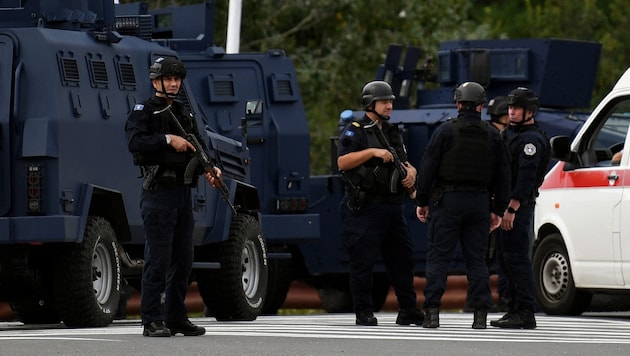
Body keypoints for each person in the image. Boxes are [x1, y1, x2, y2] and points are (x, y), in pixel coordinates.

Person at [125, 57, 222, 337]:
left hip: (182, 194)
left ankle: (176, 316)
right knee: (158, 257)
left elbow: (197, 144)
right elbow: (134, 142)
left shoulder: (182, 111)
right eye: (168, 79)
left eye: (177, 79)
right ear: (156, 82)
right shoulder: (144, 110)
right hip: (159, 193)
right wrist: (167, 139)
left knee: (183, 258)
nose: (173, 83)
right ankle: (151, 319)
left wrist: (210, 167)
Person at [415, 82, 511, 329]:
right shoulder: (492, 134)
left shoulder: (445, 131)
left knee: (438, 258)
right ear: (481, 106)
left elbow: (427, 168)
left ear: (458, 104)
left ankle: (433, 313)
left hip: (448, 202)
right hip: (479, 203)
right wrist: (498, 210)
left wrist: (422, 201)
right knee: (477, 260)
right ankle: (480, 316)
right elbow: (503, 176)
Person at [337, 80, 425, 326]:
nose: (389, 106)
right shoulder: (355, 129)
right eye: (384, 101)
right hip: (365, 208)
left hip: (392, 207)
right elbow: (343, 162)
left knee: (403, 259)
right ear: (370, 103)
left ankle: (408, 309)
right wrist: (373, 153)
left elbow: (406, 162)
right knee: (362, 262)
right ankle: (364, 311)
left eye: (390, 101)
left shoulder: (391, 132)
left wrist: (412, 173)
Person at [491, 87, 550, 329]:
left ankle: (525, 311)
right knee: (504, 258)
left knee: (516, 258)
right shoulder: (509, 134)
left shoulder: (531, 140)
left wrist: (511, 209)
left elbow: (526, 180)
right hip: (504, 206)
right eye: (510, 108)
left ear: (529, 112)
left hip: (517, 208)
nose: (511, 112)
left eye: (516, 108)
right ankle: (513, 307)